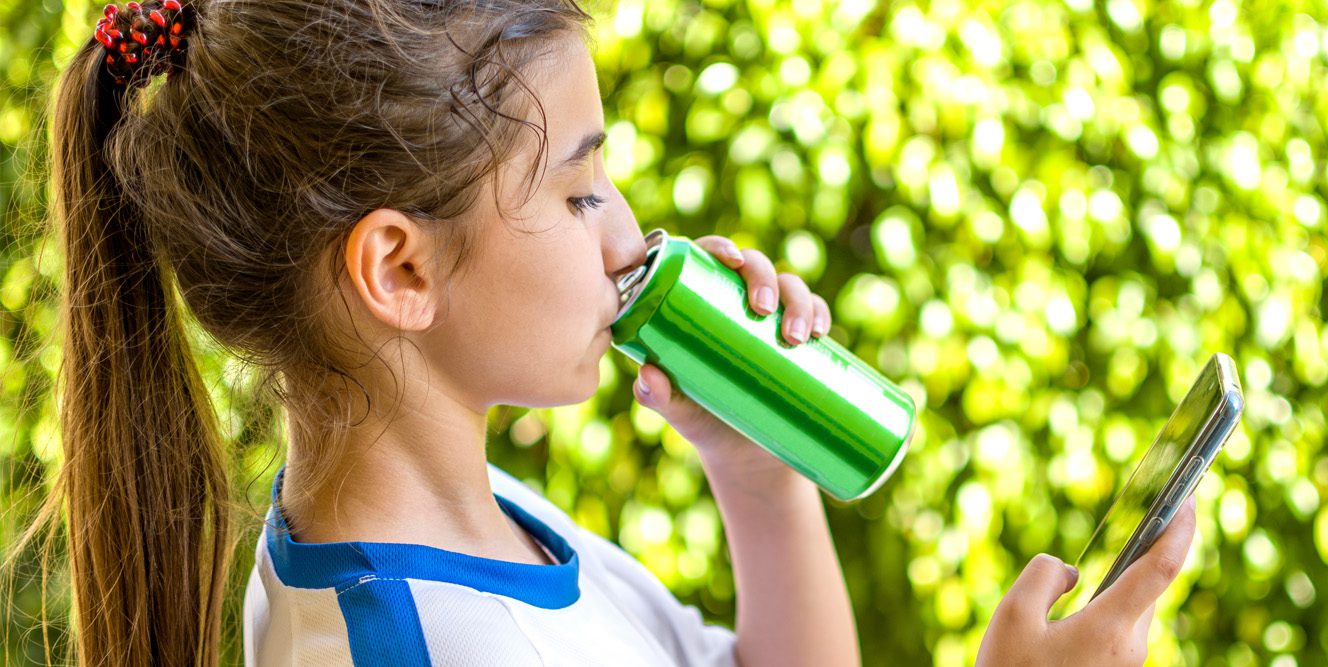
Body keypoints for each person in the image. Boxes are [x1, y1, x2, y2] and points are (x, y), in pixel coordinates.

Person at [43, 0, 1197, 665]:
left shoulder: (498, 530)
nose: (627, 235)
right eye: (579, 191)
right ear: (399, 266)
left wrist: (759, 479)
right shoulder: (415, 643)